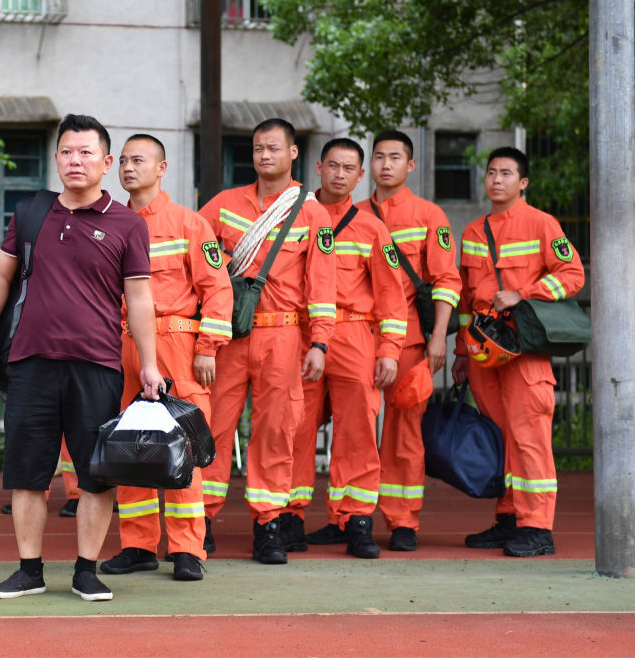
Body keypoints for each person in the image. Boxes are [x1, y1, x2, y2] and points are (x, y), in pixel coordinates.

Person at [0, 114, 165, 602]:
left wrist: (149, 363)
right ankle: (29, 570)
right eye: (66, 152)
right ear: (55, 159)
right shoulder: (32, 213)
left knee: (96, 475)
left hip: (97, 365)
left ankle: (86, 570)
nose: (74, 160)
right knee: (27, 473)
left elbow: (140, 297)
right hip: (31, 363)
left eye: (85, 153)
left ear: (104, 163)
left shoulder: (126, 224)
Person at [197, 118, 336, 565]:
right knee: (214, 427)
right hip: (231, 335)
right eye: (258, 148)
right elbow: (195, 257)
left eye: (274, 148)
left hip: (284, 335)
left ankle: (268, 525)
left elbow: (322, 284)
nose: (264, 156)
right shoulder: (223, 205)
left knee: (277, 431)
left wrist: (320, 343)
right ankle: (199, 520)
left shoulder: (313, 213)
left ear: (293, 153)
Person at [99, 134, 233, 581]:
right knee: (129, 448)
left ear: (162, 168)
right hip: (122, 347)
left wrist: (208, 347)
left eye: (140, 160)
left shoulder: (188, 223)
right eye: (124, 161)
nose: (129, 168)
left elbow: (217, 288)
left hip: (177, 345)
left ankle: (188, 549)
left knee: (184, 447)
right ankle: (138, 545)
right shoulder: (110, 222)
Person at [453, 146, 585, 557]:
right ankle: (509, 519)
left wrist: (524, 294)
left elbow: (573, 274)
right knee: (501, 439)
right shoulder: (474, 231)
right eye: (491, 172)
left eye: (506, 173)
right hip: (484, 354)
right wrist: (461, 352)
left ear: (522, 182)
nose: (497, 180)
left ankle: (537, 528)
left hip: (524, 352)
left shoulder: (541, 223)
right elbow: (467, 300)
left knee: (530, 441)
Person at [284, 138, 408, 558]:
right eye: (332, 165)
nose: (339, 174)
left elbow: (392, 295)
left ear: (360, 175)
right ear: (317, 168)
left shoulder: (372, 227)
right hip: (300, 335)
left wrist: (389, 348)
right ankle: (288, 518)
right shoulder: (293, 216)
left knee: (357, 433)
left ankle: (356, 521)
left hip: (354, 335)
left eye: (348, 168)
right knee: (294, 428)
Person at [356, 130, 461, 551]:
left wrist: (439, 338)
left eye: (395, 157)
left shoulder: (428, 215)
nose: (386, 165)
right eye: (379, 157)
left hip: (412, 342)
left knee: (404, 433)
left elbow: (446, 280)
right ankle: (348, 518)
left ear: (410, 165)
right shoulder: (350, 213)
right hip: (358, 338)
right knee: (355, 431)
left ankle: (403, 522)